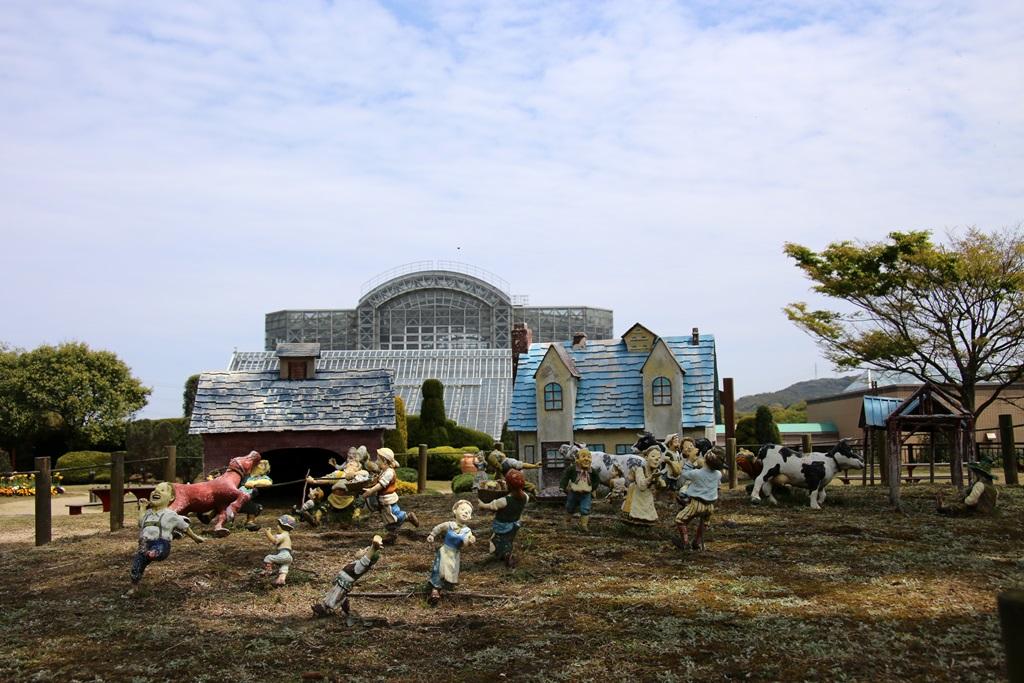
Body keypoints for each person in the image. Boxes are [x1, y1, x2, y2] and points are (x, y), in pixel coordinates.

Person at [126, 481, 205, 596]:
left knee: (158, 550)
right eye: (155, 489)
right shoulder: (148, 513)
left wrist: (195, 538)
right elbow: (141, 523)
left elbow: (185, 527)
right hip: (144, 543)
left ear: (171, 497)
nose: (156, 491)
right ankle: (134, 587)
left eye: (162, 490)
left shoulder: (170, 514)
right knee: (137, 564)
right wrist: (142, 508)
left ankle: (155, 551)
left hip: (161, 542)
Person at [312, 535, 384, 625]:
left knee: (335, 596)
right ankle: (340, 606)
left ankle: (325, 609)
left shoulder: (362, 566)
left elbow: (366, 559)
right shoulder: (358, 563)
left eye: (364, 551)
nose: (361, 550)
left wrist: (373, 548)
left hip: (344, 583)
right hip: (342, 581)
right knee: (335, 594)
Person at [360, 447, 419, 542]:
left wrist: (370, 491)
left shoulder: (389, 472)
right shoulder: (384, 471)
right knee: (389, 516)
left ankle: (405, 519)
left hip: (387, 499)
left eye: (378, 459)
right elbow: (378, 480)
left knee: (390, 517)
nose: (376, 461)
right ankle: (395, 530)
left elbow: (381, 485)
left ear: (385, 461)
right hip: (383, 499)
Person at [673, 451, 724, 551]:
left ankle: (685, 543)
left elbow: (683, 475)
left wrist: (689, 462)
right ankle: (697, 542)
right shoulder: (718, 474)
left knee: (680, 520)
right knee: (705, 523)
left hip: (697, 503)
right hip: (710, 506)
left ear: (705, 461)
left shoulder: (696, 473)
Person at [426, 499, 475, 604]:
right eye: (462, 509)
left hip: (454, 553)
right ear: (455, 511)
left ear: (470, 517)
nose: (465, 513)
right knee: (439, 569)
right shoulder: (449, 525)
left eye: (468, 512)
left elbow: (466, 541)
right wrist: (432, 534)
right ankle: (435, 589)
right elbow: (439, 528)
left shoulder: (467, 531)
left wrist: (470, 541)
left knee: (451, 571)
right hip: (445, 551)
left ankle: (446, 587)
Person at [478, 469, 528, 567]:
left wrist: (482, 504)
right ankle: (502, 553)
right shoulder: (525, 497)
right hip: (515, 523)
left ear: (509, 485)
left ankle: (506, 554)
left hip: (502, 524)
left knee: (498, 540)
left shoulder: (504, 500)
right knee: (508, 539)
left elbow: (491, 506)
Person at [560, 448, 601, 531]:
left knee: (585, 509)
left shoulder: (592, 471)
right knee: (569, 507)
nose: (586, 459)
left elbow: (597, 480)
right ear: (577, 459)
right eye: (583, 456)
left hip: (586, 494)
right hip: (573, 493)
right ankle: (566, 522)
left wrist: (593, 488)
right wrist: (562, 487)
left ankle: (584, 525)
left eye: (589, 457)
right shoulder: (572, 469)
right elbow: (565, 477)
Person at [621, 446, 662, 525]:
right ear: (646, 457)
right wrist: (651, 477)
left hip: (648, 498)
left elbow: (660, 487)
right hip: (638, 498)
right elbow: (641, 486)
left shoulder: (656, 471)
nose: (656, 459)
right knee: (637, 517)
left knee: (649, 518)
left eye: (658, 457)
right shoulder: (640, 470)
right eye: (653, 456)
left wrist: (659, 481)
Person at [238, 459, 273, 531]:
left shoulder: (262, 477)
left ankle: (250, 523)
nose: (259, 465)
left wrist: (254, 483)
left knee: (255, 507)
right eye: (259, 463)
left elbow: (268, 482)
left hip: (245, 500)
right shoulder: (244, 474)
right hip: (233, 495)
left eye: (262, 464)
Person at [263, 514, 296, 586]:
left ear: (283, 526)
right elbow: (276, 537)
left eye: (278, 524)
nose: (277, 526)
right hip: (289, 557)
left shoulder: (284, 535)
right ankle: (281, 580)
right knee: (284, 567)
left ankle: (268, 571)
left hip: (283, 554)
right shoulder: (286, 535)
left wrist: (268, 533)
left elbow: (274, 541)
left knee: (268, 558)